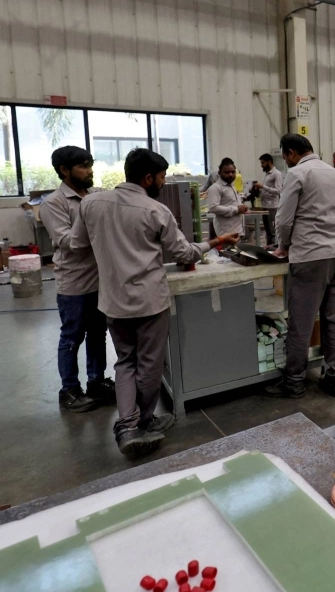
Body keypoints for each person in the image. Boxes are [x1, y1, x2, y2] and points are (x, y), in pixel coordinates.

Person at [70, 149, 240, 458]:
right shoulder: (155, 211)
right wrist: (215, 242)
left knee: (125, 362)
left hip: (112, 300)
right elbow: (184, 254)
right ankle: (142, 424)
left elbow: (77, 244)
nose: (163, 183)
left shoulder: (91, 204)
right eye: (161, 178)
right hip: (149, 301)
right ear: (148, 178)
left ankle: (126, 424)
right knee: (149, 363)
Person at [266, 134, 335, 399]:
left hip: (310, 255)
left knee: (301, 323)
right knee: (333, 318)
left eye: (285, 157)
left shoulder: (298, 173)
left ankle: (294, 383)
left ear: (291, 153)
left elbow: (284, 218)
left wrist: (283, 245)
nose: (286, 162)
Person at [39, 146, 115, 413]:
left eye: (90, 164)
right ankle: (69, 390)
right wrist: (91, 219)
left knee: (98, 335)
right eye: (83, 166)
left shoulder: (95, 195)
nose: (90, 170)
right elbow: (68, 241)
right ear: (64, 170)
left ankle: (96, 383)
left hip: (100, 282)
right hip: (74, 285)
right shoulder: (54, 203)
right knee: (72, 337)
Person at [206, 158, 247, 238]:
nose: (230, 174)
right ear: (219, 173)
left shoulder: (231, 186)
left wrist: (242, 207)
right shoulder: (215, 188)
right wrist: (237, 209)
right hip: (226, 234)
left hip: (237, 231)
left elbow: (230, 203)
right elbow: (213, 208)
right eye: (227, 172)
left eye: (233, 172)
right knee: (227, 251)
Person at [254, 153, 283, 246]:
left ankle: (273, 249)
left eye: (263, 163)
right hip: (265, 206)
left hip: (272, 207)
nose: (262, 165)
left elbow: (278, 191)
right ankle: (269, 248)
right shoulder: (267, 174)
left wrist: (263, 186)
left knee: (272, 232)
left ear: (269, 162)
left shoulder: (277, 174)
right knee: (268, 231)